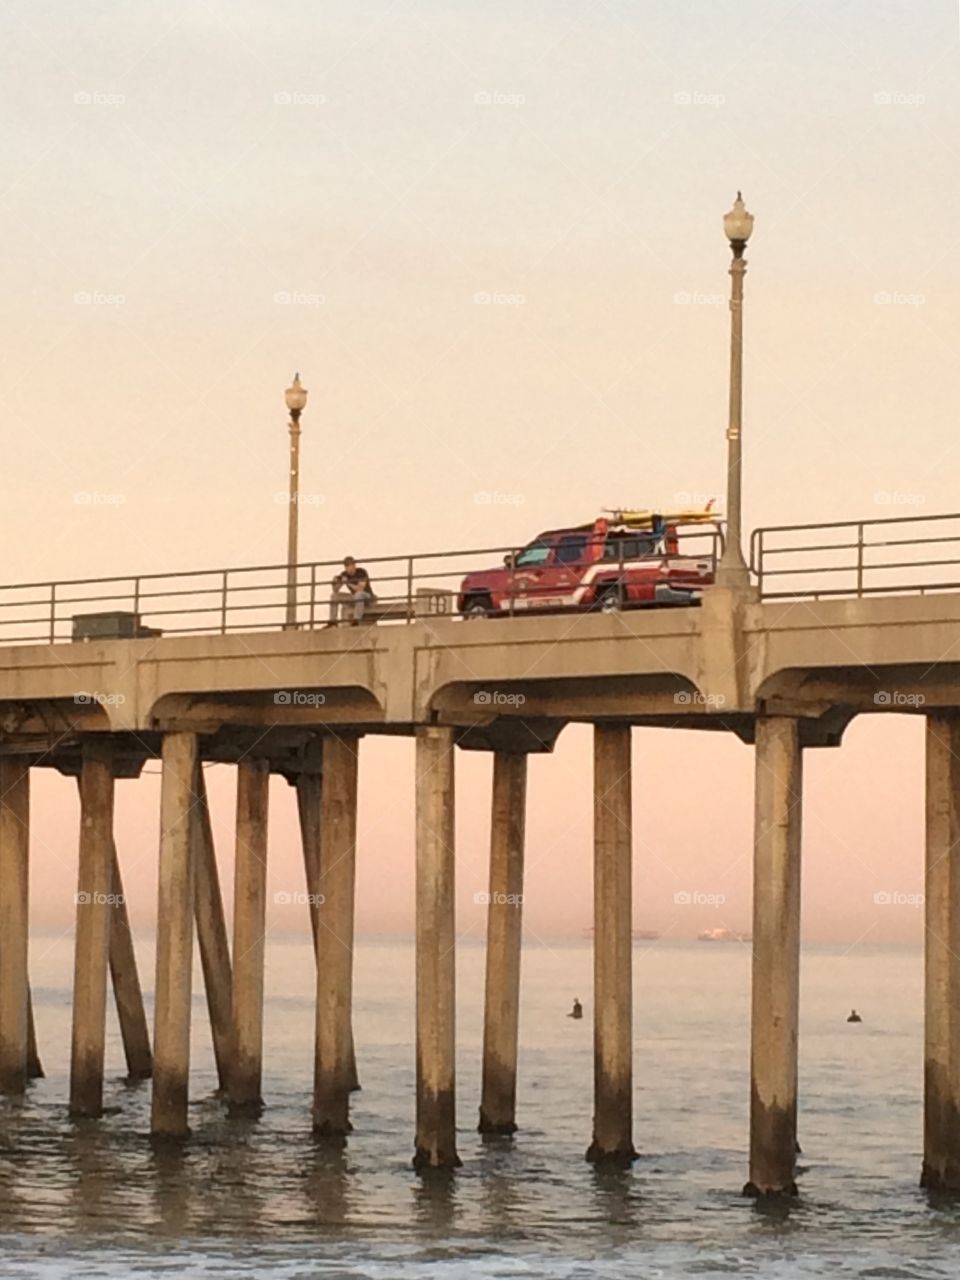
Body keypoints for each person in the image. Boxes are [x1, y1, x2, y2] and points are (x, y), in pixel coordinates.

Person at [329, 557, 375, 625]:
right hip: (355, 598)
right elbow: (335, 590)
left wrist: (348, 583)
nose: (349, 568)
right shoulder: (344, 574)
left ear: (354, 565)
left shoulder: (361, 572)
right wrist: (335, 583)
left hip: (367, 597)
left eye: (350, 565)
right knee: (334, 596)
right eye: (346, 566)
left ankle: (356, 620)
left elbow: (360, 588)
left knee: (359, 594)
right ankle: (332, 621)